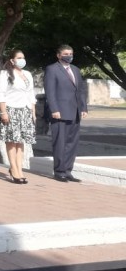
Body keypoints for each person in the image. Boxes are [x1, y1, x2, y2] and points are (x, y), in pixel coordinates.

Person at [44, 44, 88, 182]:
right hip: (60, 112)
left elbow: (80, 91)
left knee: (72, 143)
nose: (69, 56)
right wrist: (54, 109)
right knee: (60, 143)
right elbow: (50, 92)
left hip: (74, 112)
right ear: (58, 55)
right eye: (65, 53)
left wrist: (83, 108)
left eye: (71, 53)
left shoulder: (75, 70)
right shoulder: (52, 69)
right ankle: (59, 171)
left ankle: (68, 170)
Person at [0, 49, 37, 184]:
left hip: (25, 110)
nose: (21, 60)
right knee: (11, 141)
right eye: (19, 58)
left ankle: (20, 169)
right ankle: (13, 169)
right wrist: (3, 112)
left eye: (23, 57)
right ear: (12, 60)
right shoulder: (5, 74)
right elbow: (1, 94)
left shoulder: (27, 74)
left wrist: (33, 112)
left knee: (20, 142)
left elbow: (31, 94)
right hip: (10, 110)